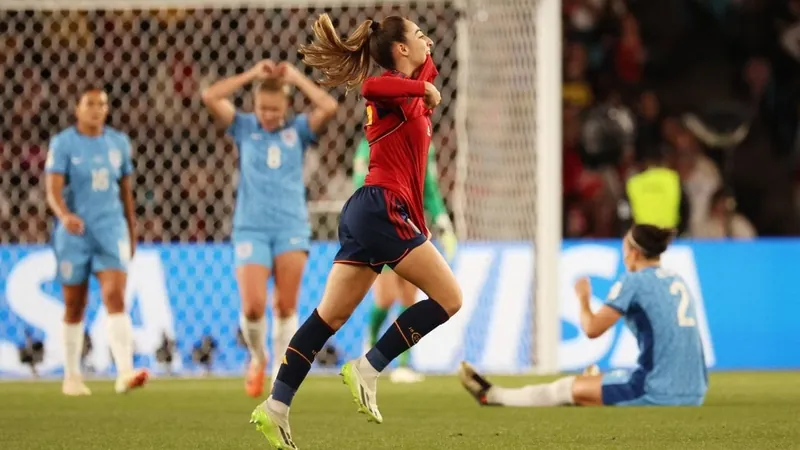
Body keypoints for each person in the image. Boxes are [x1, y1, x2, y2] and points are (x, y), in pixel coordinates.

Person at [249, 14, 462, 449]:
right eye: (419, 35)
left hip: (371, 211)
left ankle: (275, 406)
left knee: (330, 317)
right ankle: (369, 366)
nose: (428, 40)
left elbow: (425, 73)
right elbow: (371, 86)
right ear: (400, 50)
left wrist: (423, 74)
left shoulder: (412, 90)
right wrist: (421, 85)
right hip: (384, 207)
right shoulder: (391, 91)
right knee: (449, 299)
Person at [201, 60, 338, 397]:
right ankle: (257, 356)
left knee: (285, 307)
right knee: (252, 306)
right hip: (251, 228)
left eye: (276, 109)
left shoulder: (298, 131)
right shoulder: (244, 127)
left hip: (291, 226)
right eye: (263, 108)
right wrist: (250, 75)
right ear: (255, 105)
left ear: (286, 107)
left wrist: (296, 77)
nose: (269, 115)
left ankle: (279, 367)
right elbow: (210, 96)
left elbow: (329, 105)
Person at [459, 224, 708, 407]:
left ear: (633, 252)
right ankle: (594, 389)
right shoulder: (677, 279)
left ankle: (493, 396)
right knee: (601, 380)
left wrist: (583, 298)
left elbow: (591, 329)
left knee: (564, 388)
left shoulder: (634, 281)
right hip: (696, 390)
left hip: (659, 391)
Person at [45, 89, 148, 396]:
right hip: (74, 233)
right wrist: (64, 215)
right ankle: (72, 376)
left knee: (115, 296)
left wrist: (131, 231)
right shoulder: (63, 143)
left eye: (102, 104)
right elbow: (52, 188)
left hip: (111, 228)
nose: (97, 109)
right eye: (90, 104)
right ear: (77, 109)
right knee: (75, 304)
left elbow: (126, 192)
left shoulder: (118, 143)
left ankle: (125, 372)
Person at [353, 137, 457, 384]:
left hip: (411, 226)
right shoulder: (370, 141)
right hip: (382, 223)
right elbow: (360, 183)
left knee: (409, 298)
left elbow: (428, 186)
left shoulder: (424, 142)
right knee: (386, 297)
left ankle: (403, 363)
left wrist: (442, 220)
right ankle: (368, 345)